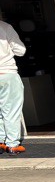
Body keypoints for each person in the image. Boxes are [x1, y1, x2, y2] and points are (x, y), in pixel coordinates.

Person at [0, 12, 27, 155]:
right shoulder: (5, 27)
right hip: (7, 73)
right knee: (11, 111)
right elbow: (20, 51)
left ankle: (0, 141)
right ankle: (12, 145)